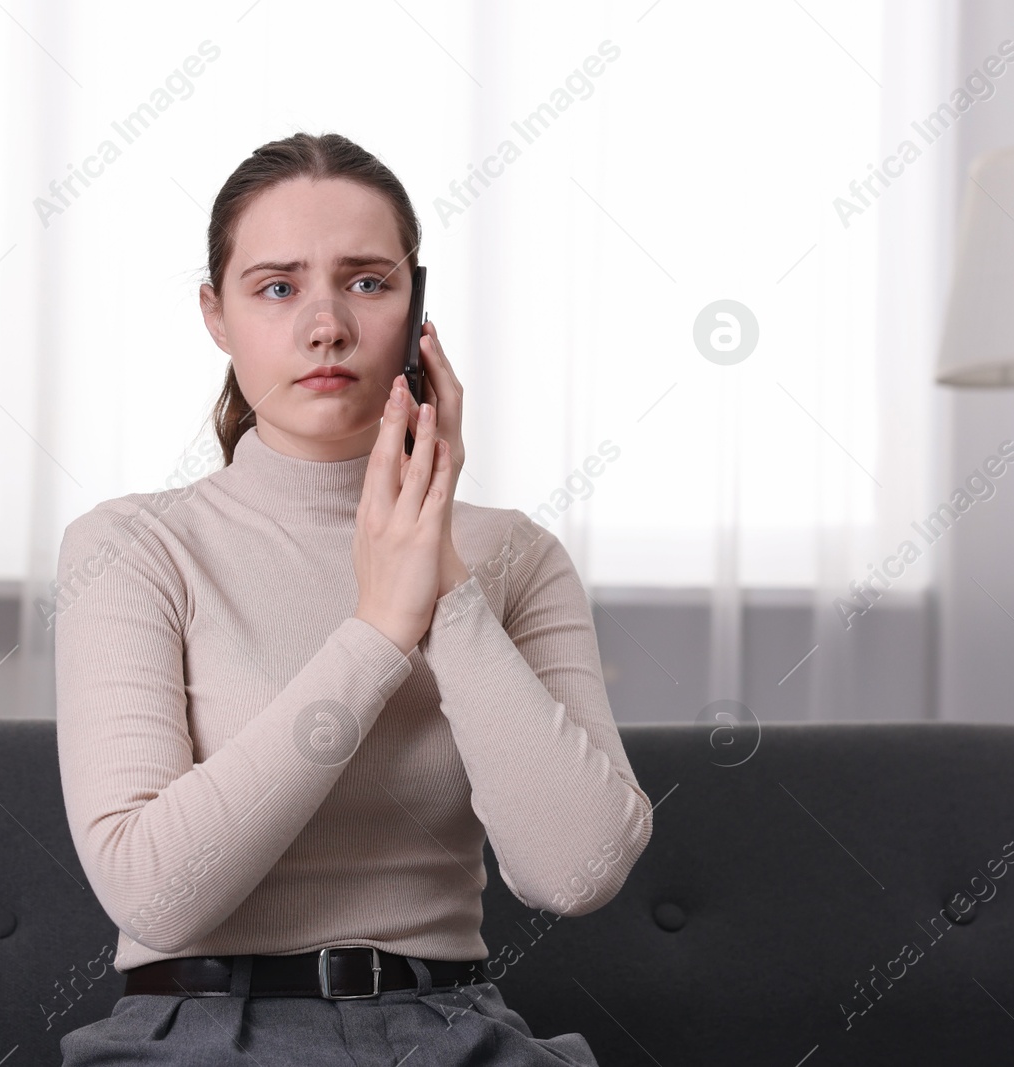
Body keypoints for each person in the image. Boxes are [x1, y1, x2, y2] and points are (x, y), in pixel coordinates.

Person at [52, 131, 654, 1066]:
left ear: (418, 306)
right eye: (277, 286)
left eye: (367, 282)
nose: (325, 324)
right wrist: (378, 628)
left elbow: (576, 871)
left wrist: (442, 574)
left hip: (450, 1031)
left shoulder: (516, 555)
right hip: (200, 1034)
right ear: (217, 314)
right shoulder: (133, 545)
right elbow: (155, 893)